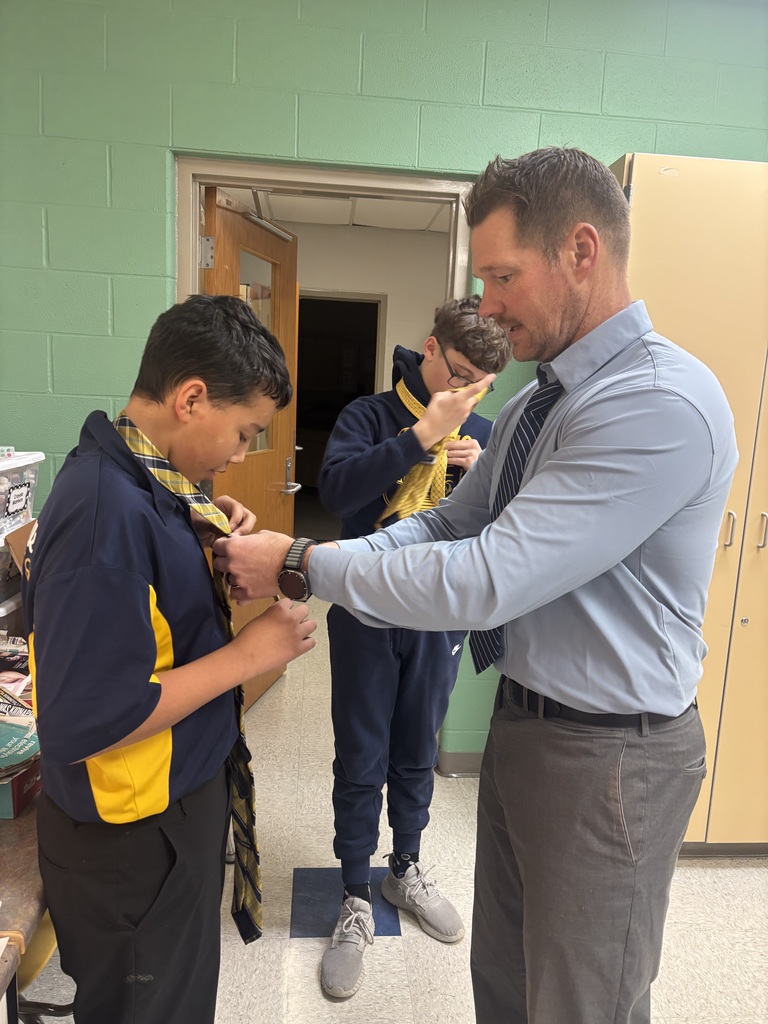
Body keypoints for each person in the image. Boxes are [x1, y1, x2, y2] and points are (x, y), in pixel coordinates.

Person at [215, 147, 738, 1024]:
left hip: (614, 754)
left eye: (502, 275)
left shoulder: (654, 402)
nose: (487, 305)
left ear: (581, 250)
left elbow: (490, 576)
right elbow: (453, 525)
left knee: (581, 1002)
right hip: (529, 723)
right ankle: (361, 882)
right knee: (504, 984)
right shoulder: (545, 404)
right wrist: (331, 555)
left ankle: (403, 865)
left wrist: (304, 565)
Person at [22, 295, 317, 1024]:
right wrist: (252, 653)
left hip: (168, 810)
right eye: (243, 431)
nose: (242, 455)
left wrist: (206, 528)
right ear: (191, 399)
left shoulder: (144, 481)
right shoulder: (104, 514)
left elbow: (144, 615)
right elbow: (88, 718)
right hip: (130, 846)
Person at [315, 295, 511, 998]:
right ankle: (353, 895)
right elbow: (337, 491)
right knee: (362, 752)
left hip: (439, 618)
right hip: (366, 612)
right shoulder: (369, 415)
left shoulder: (484, 431)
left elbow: (507, 532)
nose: (461, 394)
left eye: (476, 386)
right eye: (455, 374)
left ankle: (405, 868)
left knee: (416, 749)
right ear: (429, 349)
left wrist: (484, 468)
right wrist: (421, 436)